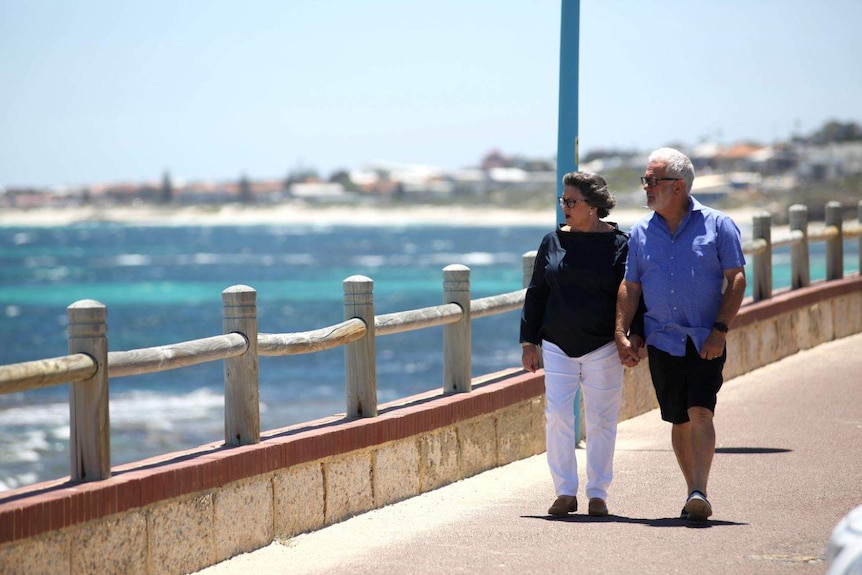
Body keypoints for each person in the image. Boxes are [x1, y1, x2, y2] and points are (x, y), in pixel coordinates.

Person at [615, 147, 747, 522]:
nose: (646, 187)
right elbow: (632, 284)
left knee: (701, 411)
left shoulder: (718, 225)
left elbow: (736, 278)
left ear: (678, 186)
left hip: (705, 338)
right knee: (679, 418)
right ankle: (692, 488)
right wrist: (623, 331)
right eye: (646, 180)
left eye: (652, 180)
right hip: (662, 339)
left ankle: (699, 490)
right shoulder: (641, 231)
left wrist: (720, 331)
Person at [521, 171, 643, 517]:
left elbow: (634, 292)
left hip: (604, 344)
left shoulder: (622, 242)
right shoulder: (552, 241)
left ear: (592, 206)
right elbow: (537, 292)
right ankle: (564, 491)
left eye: (571, 201)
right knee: (558, 415)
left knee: (602, 420)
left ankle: (598, 493)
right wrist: (529, 341)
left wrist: (635, 335)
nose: (565, 207)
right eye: (563, 200)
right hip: (558, 342)